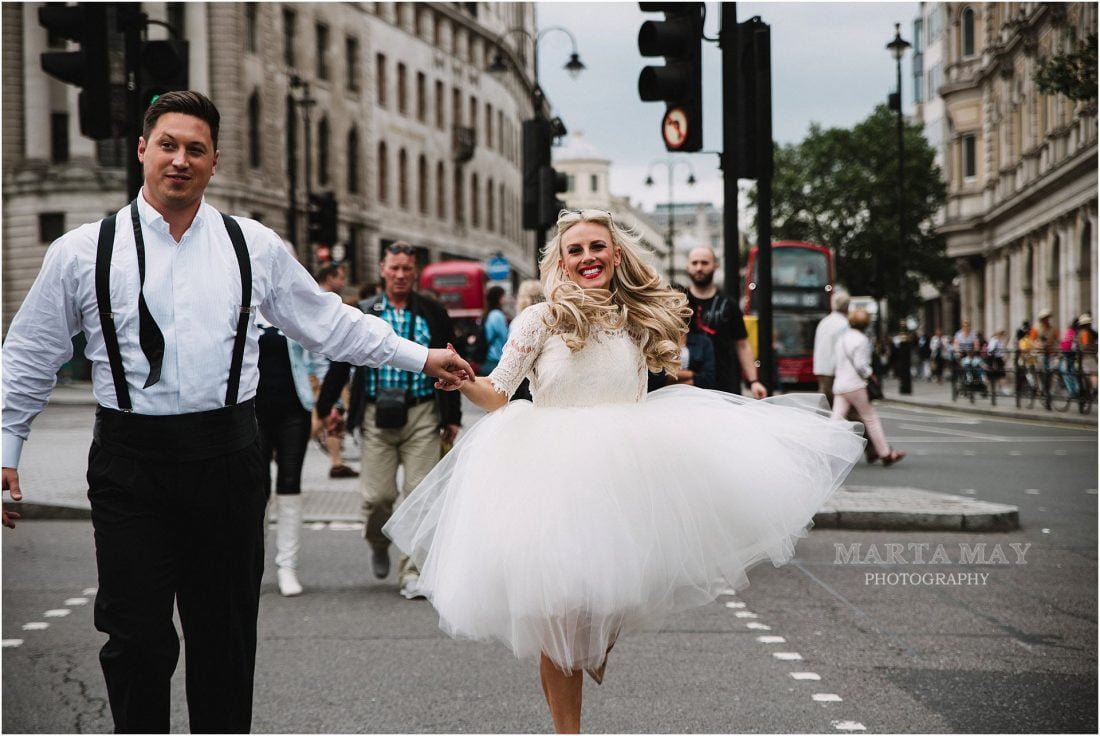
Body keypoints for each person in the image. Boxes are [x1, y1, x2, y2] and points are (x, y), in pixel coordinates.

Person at [0, 91, 472, 734]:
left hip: (227, 459)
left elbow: (328, 325)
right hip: (129, 464)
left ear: (214, 161)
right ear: (142, 150)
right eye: (167, 144)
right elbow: (29, 355)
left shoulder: (252, 245)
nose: (179, 160)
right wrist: (7, 447)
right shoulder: (81, 251)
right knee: (135, 640)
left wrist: (420, 358)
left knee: (224, 644)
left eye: (195, 149)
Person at [384, 209, 864, 733]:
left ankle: (592, 649)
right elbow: (498, 391)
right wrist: (462, 381)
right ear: (561, 262)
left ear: (615, 254)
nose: (587, 258)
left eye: (597, 247)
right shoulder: (540, 319)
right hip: (549, 472)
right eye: (575, 250)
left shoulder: (638, 319)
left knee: (597, 621)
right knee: (561, 621)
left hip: (624, 474)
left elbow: (657, 376)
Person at [316, 242, 462, 601]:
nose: (400, 275)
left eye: (406, 269)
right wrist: (327, 407)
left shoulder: (431, 311)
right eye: (394, 268)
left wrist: (453, 416)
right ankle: (379, 542)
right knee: (378, 497)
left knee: (420, 494)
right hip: (375, 416)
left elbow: (453, 361)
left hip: (422, 412)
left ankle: (412, 571)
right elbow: (340, 361)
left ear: (414, 272)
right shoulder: (365, 312)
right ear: (382, 269)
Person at [255, 309, 321, 597]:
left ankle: (287, 565)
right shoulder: (242, 301)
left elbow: (318, 358)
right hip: (251, 411)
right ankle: (251, 564)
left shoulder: (292, 310)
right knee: (256, 489)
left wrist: (325, 405)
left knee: (290, 483)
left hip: (295, 410)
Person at [684, 246, 768, 398]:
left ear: (716, 266)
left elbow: (742, 344)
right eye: (695, 263)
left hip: (723, 386)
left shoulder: (729, 304)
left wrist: (753, 381)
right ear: (687, 266)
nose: (699, 268)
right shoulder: (677, 302)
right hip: (686, 387)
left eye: (704, 263)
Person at [832, 309, 904, 466]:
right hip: (855, 385)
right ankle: (885, 453)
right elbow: (861, 365)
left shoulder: (841, 339)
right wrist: (870, 374)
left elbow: (836, 362)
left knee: (835, 422)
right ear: (865, 324)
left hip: (840, 385)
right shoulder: (862, 340)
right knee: (871, 419)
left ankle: (823, 452)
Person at [313, 264, 359, 479]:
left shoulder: (326, 300)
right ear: (329, 278)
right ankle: (280, 448)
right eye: (341, 278)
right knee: (327, 414)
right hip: (323, 371)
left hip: (327, 370)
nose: (344, 282)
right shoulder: (321, 301)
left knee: (332, 415)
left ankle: (336, 462)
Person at [812, 288, 851, 404]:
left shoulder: (824, 321)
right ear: (847, 306)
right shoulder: (845, 324)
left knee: (826, 404)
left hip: (821, 368)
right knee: (837, 404)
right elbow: (845, 349)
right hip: (835, 370)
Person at [478, 285, 510, 375]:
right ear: (498, 298)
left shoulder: (489, 313)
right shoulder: (497, 315)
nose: (506, 298)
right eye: (504, 296)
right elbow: (505, 337)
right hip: (496, 359)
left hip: (487, 359)